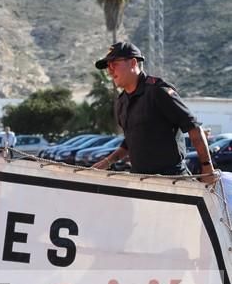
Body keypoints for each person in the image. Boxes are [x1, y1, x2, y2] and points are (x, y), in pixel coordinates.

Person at [92, 42, 215, 183]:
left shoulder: (158, 91)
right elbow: (130, 142)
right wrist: (108, 161)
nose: (110, 70)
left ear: (133, 63)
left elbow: (193, 127)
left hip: (172, 180)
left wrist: (207, 167)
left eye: (114, 64)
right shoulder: (122, 102)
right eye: (108, 66)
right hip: (140, 180)